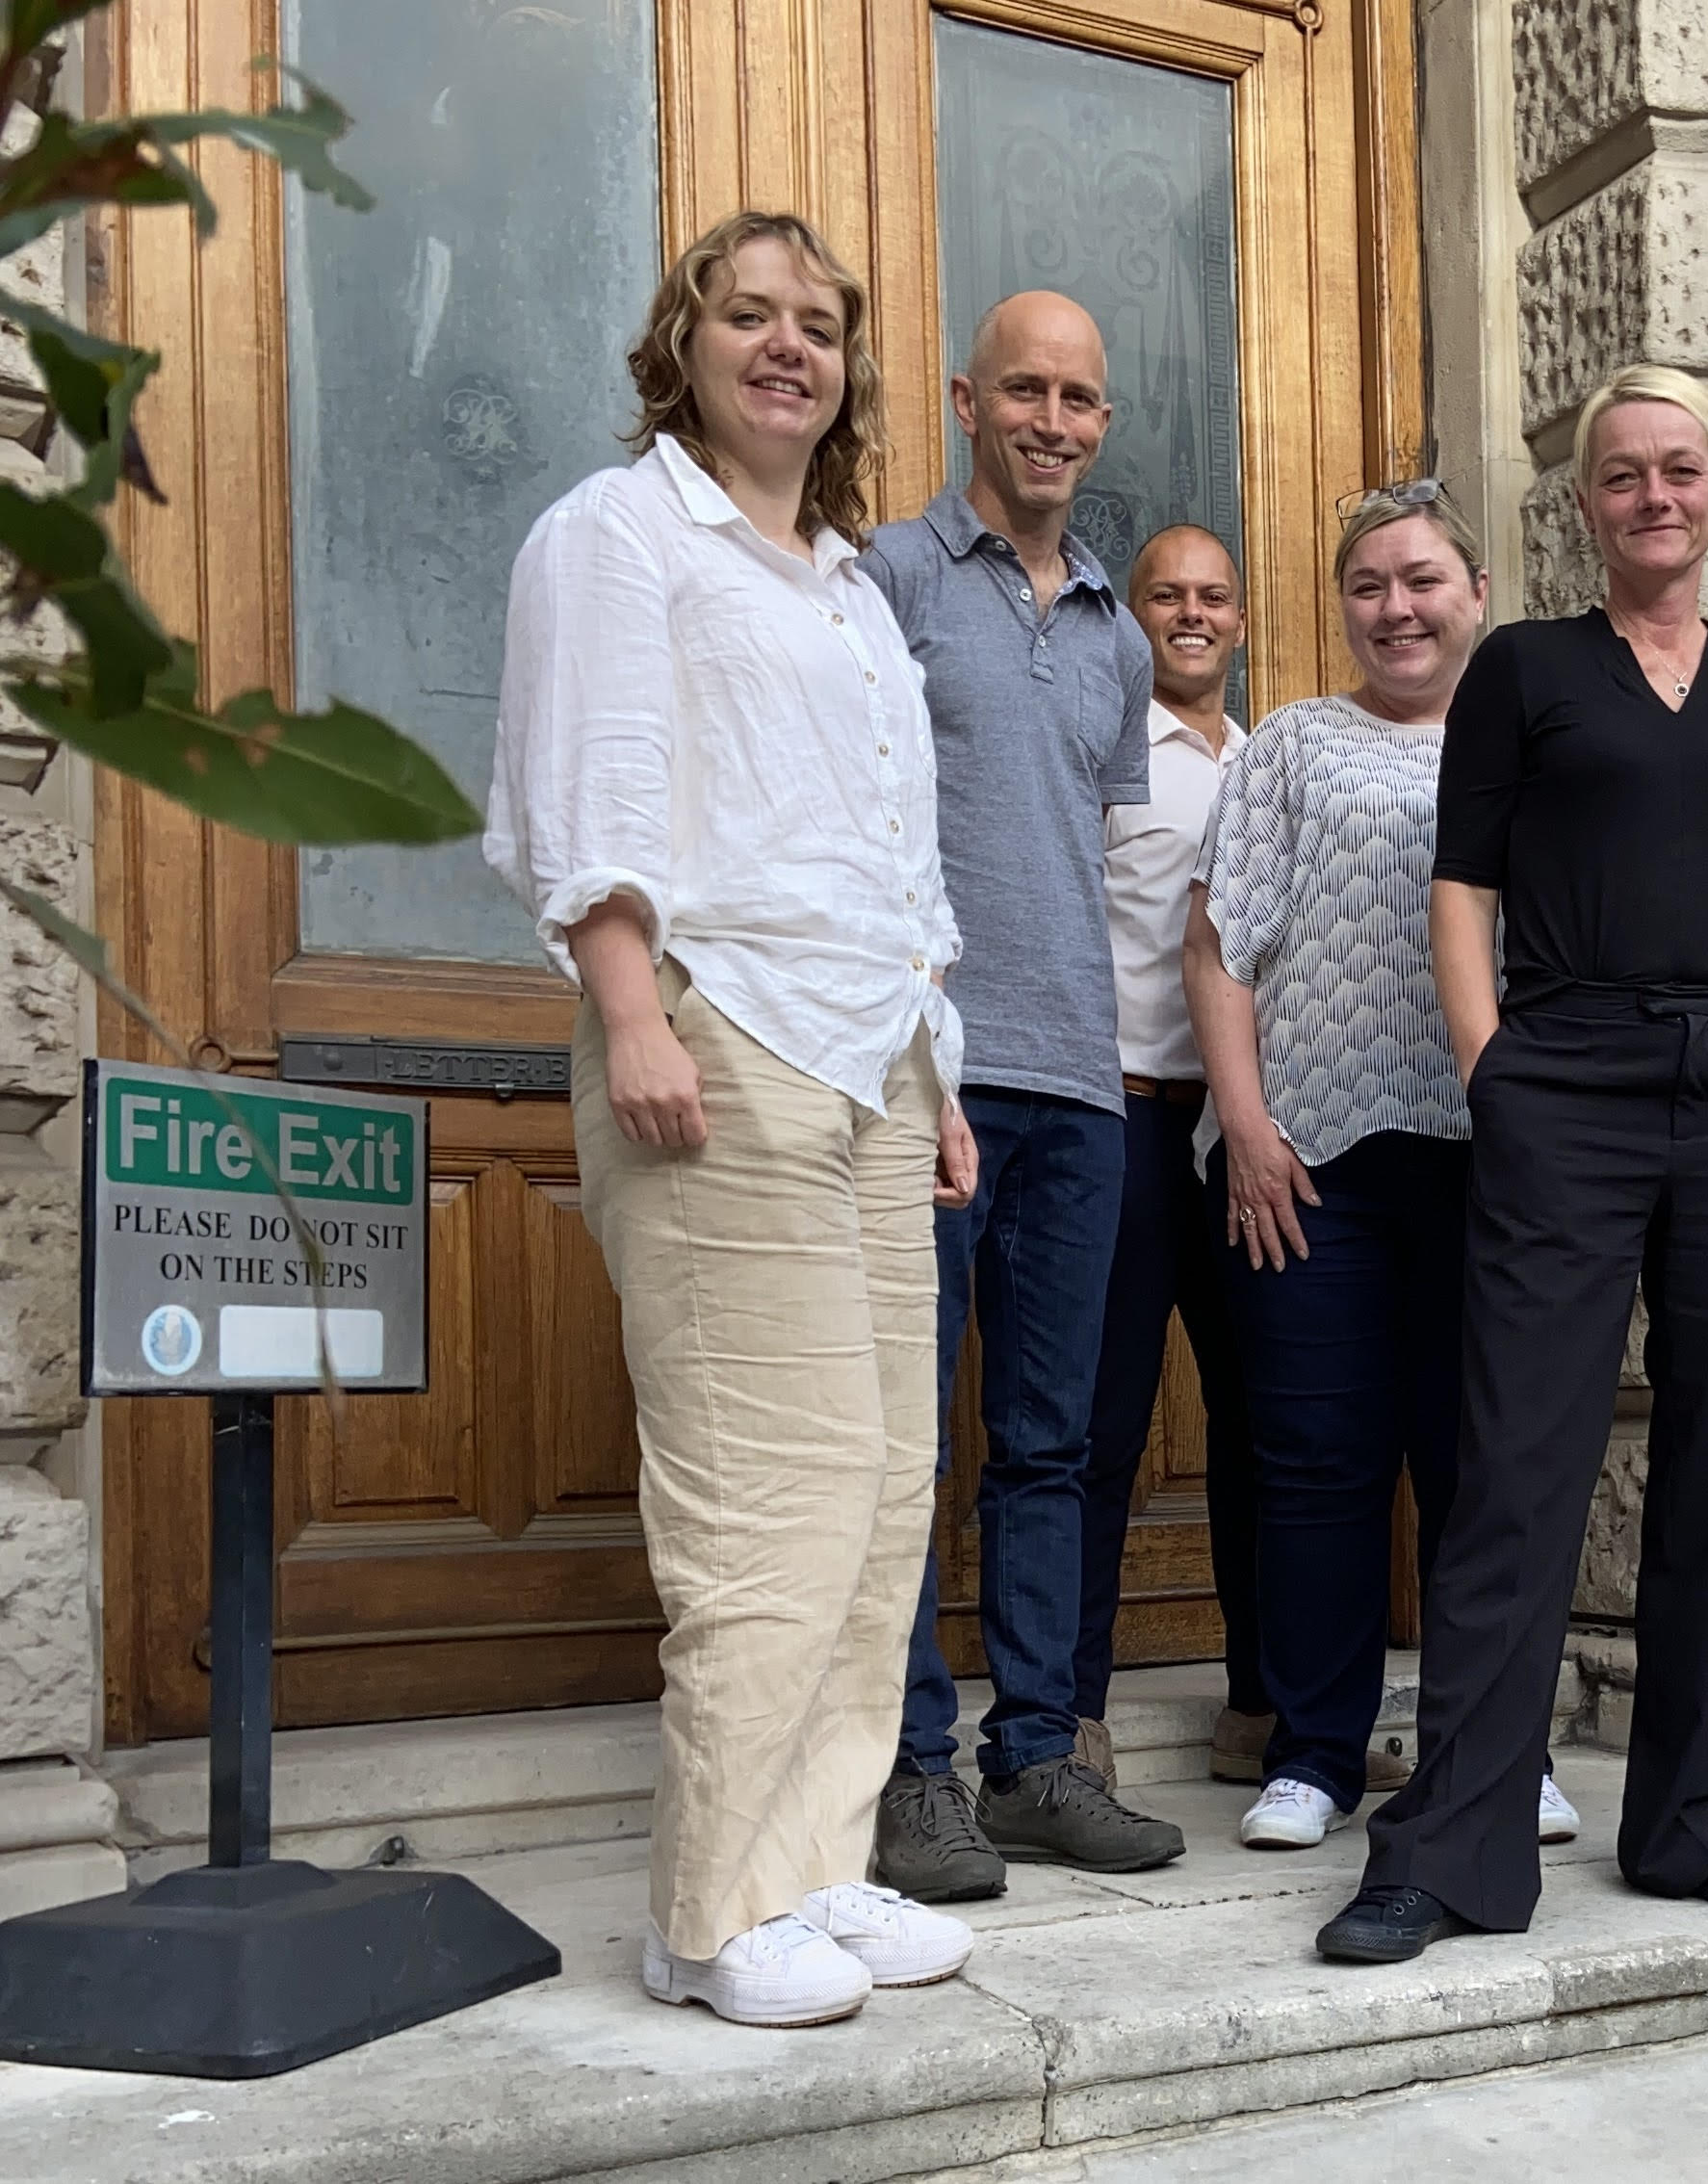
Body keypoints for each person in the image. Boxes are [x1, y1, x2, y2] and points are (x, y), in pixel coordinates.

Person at [485, 209, 980, 2027]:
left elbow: (886, 853)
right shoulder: (619, 535)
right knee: (762, 1500)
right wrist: (630, 1010)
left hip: (865, 1062)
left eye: (820, 324)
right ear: (681, 342)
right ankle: (708, 1911)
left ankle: (819, 1868)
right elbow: (591, 782)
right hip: (717, 1035)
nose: (789, 347)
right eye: (748, 315)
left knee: (877, 1494)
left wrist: (935, 1070)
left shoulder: (845, 587)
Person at [1316, 367, 1708, 1965]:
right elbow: (1460, 887)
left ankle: (1697, 1823)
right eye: (1623, 477)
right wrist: (1500, 1072)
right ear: (1586, 507)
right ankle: (1451, 1846)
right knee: (1521, 1459)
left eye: (1682, 470)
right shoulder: (1527, 672)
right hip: (1570, 1078)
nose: (1654, 496)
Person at [1188, 482, 1580, 1854]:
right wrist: (1245, 1122)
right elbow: (1220, 945)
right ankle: (1313, 1750)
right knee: (1315, 1461)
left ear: (1478, 591)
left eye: (1421, 580)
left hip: (1496, 1166)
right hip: (1311, 1166)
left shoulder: (1539, 748)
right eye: (1367, 585)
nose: (1396, 609)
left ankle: (1495, 1748)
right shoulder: (1292, 746)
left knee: (1486, 1469)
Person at [861, 290, 1186, 1892]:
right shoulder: (891, 579)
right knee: (904, 1439)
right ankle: (907, 1772)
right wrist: (907, 1053)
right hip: (926, 1076)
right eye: (1025, 391)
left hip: (1080, 1085)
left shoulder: (1123, 640)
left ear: (1101, 420)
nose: (1053, 419)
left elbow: (1103, 869)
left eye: (1081, 395)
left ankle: (1038, 1758)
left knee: (1054, 1444)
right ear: (964, 401)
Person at [1073, 524, 1266, 1789]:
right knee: (1095, 1423)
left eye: (1213, 599)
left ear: (1240, 621)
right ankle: (1066, 1713)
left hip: (1243, 1132)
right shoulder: (1098, 750)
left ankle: (1265, 1708)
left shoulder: (1267, 761)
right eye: (1166, 597)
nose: (1190, 616)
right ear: (1133, 616)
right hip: (1124, 1116)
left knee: (1266, 1423)